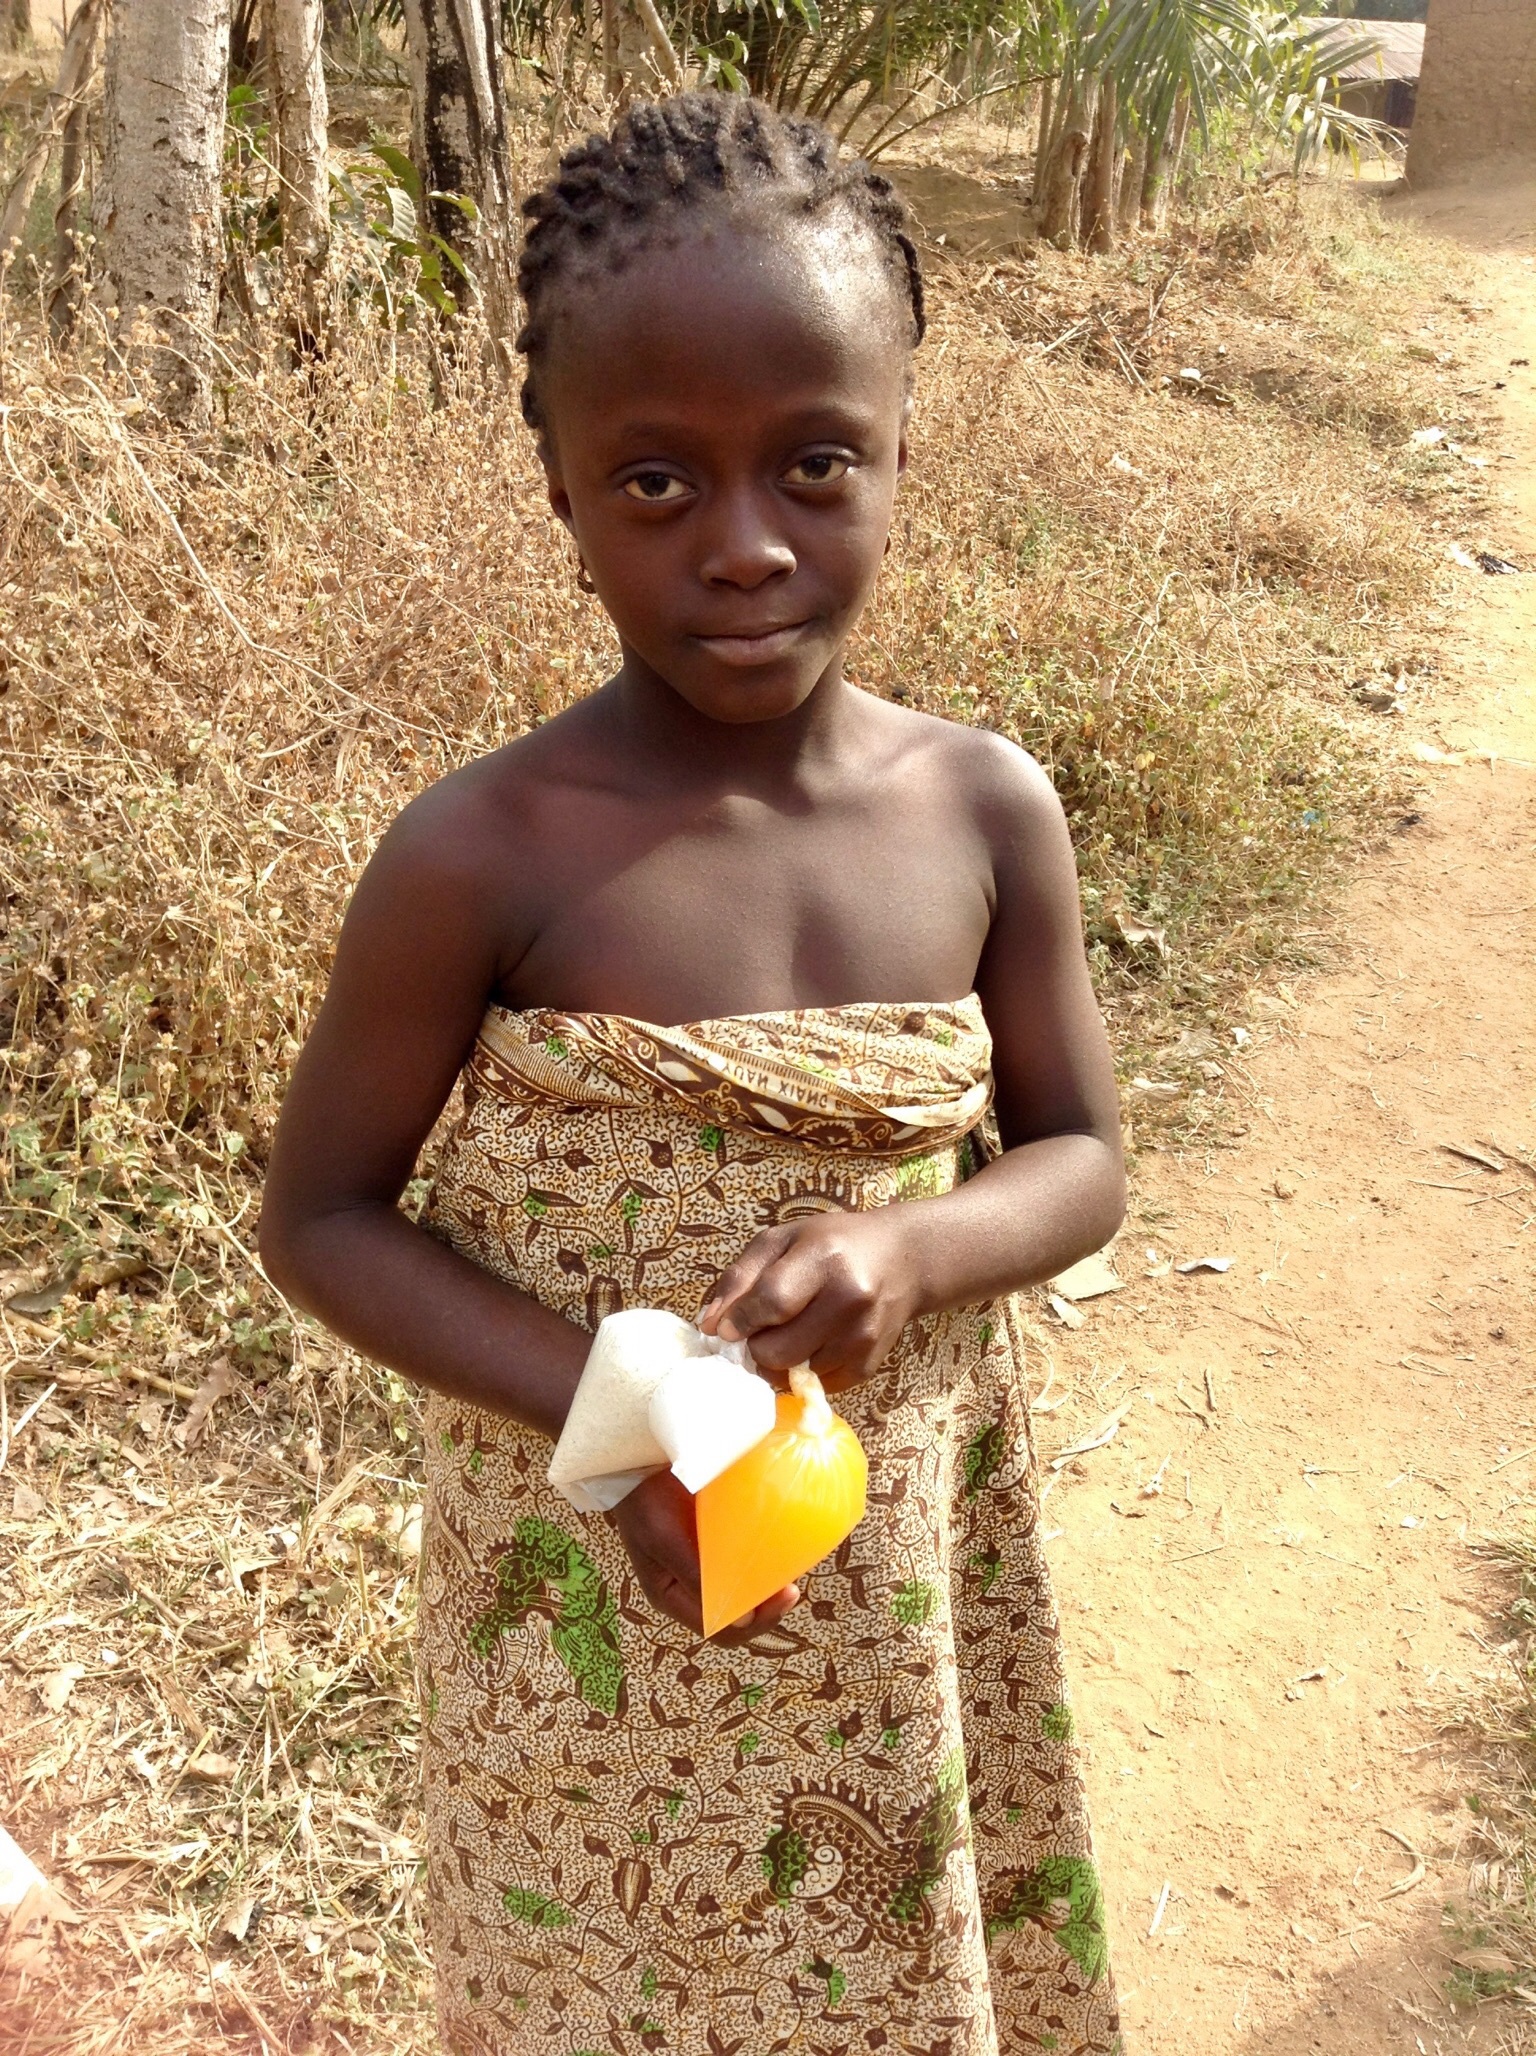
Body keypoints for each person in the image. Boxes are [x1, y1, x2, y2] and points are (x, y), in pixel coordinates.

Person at [260, 91, 1126, 2056]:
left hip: (891, 1588)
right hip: (585, 1613)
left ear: (904, 448)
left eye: (815, 462)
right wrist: (616, 1413)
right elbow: (317, 1214)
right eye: (657, 483)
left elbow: (1079, 1157)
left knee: (890, 1985)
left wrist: (916, 1254)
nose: (745, 546)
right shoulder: (485, 852)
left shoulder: (985, 810)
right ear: (560, 493)